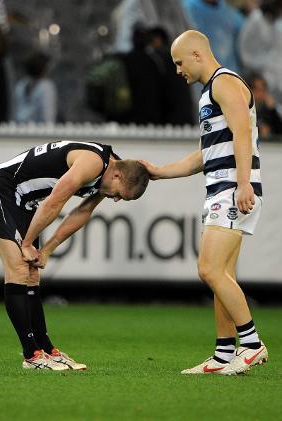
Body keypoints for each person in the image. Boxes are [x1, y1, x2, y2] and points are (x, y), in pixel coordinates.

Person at [140, 30, 268, 375]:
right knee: (221, 275)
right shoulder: (210, 91)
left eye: (179, 62)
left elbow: (243, 132)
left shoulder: (224, 83)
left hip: (233, 190)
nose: (178, 70)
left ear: (197, 55)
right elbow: (205, 155)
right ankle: (225, 352)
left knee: (208, 269)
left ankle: (252, 345)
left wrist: (243, 184)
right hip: (222, 189)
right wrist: (160, 172)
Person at [0, 140, 149, 370]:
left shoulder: (109, 171)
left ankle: (47, 350)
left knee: (32, 275)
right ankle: (32, 356)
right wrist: (28, 243)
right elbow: (54, 201)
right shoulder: (93, 163)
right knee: (19, 270)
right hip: (2, 189)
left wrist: (47, 250)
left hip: (26, 201)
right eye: (120, 195)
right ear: (118, 176)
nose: (117, 199)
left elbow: (83, 211)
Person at [14, 51, 57, 123]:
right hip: (39, 130)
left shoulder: (21, 85)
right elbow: (48, 115)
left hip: (19, 127)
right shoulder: (46, 87)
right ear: (44, 69)